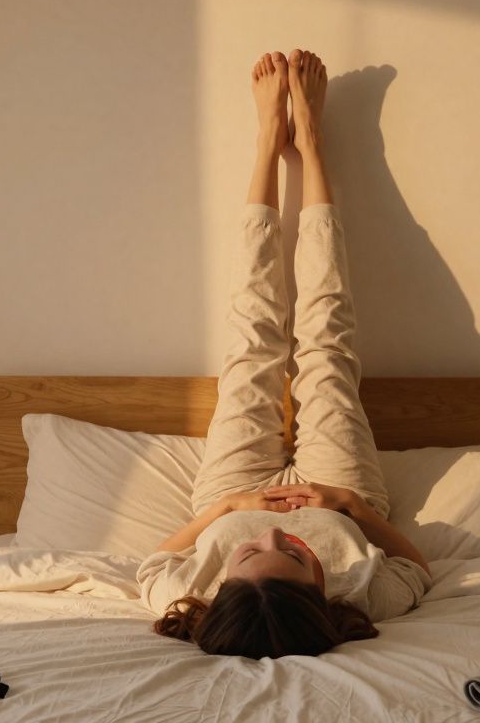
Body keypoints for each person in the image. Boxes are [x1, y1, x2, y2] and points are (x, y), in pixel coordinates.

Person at [135, 49, 432, 660]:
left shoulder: (188, 590)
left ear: (221, 590)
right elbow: (419, 566)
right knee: (327, 345)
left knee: (252, 342)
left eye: (250, 552)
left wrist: (231, 509)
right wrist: (345, 505)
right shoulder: (365, 592)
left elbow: (156, 561)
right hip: (339, 493)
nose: (277, 532)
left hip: (233, 489)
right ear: (322, 589)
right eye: (297, 554)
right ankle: (313, 144)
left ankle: (269, 140)